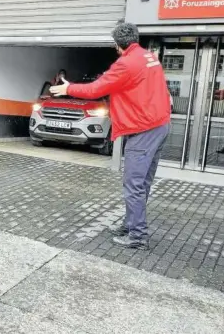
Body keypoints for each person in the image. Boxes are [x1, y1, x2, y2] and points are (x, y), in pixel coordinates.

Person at [50, 22, 171, 250]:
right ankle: (130, 224)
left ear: (117, 45)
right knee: (143, 183)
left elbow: (96, 89)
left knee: (133, 185)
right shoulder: (149, 57)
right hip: (159, 125)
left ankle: (137, 236)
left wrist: (68, 89)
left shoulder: (126, 63)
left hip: (143, 130)